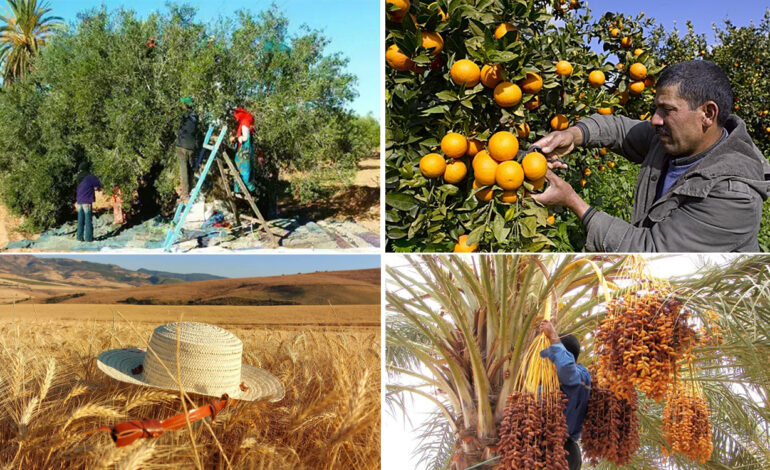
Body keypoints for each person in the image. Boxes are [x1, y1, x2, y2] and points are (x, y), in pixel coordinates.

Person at [531, 60, 770, 252]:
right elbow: (620, 129)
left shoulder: (734, 194)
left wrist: (573, 201)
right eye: (656, 108)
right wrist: (574, 134)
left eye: (667, 110)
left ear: (708, 113)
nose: (655, 120)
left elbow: (651, 251)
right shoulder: (673, 139)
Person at [539, 319, 590, 470]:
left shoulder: (580, 375)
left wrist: (553, 336)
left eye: (552, 356)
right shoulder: (552, 382)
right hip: (543, 447)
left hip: (563, 451)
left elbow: (567, 368)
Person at [175, 96, 199, 201]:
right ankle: (189, 192)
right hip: (192, 147)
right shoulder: (195, 116)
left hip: (182, 146)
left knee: (183, 170)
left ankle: (185, 195)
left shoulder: (182, 115)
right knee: (190, 168)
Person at [231, 107, 257, 193]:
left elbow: (245, 137)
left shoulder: (244, 123)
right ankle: (246, 186)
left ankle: (242, 187)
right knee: (247, 167)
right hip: (248, 149)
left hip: (244, 150)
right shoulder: (248, 122)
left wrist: (239, 138)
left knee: (242, 167)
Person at [75, 161, 103, 242]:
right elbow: (99, 184)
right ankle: (88, 238)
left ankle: (79, 237)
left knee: (80, 220)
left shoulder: (78, 177)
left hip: (79, 200)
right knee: (88, 220)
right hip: (87, 201)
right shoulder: (89, 177)